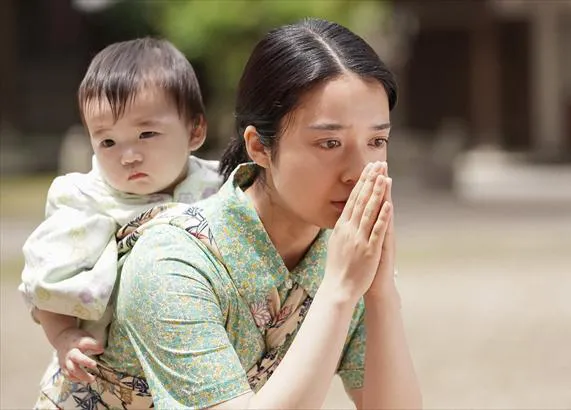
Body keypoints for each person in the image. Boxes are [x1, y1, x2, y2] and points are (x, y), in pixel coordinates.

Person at [36, 18, 422, 409]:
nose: (358, 170)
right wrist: (339, 291)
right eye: (329, 142)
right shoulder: (172, 260)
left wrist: (380, 294)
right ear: (258, 147)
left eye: (377, 140)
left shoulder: (342, 255)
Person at [19, 37, 221, 387]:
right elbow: (46, 281)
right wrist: (64, 336)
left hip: (194, 367)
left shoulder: (219, 187)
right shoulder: (85, 200)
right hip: (102, 379)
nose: (128, 156)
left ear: (195, 130)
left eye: (147, 133)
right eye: (108, 141)